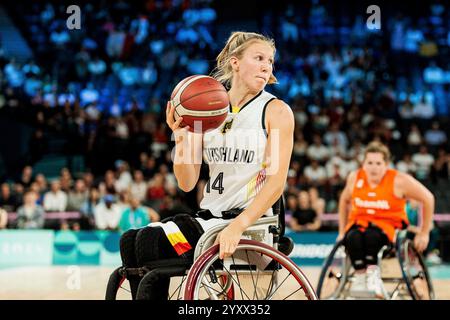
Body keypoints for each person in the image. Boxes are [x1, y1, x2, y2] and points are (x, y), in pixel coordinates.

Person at [123, 31, 294, 300]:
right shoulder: (208, 109)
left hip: (249, 223)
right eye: (259, 57)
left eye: (270, 61)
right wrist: (180, 137)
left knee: (150, 241)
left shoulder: (275, 111)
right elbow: (187, 182)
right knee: (130, 240)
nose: (266, 66)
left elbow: (276, 183)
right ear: (235, 62)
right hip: (210, 219)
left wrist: (238, 225)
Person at [337, 141, 434, 298]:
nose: (373, 167)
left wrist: (424, 233)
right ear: (363, 164)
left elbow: (428, 198)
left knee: (371, 236)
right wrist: (341, 230)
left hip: (386, 229)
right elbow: (343, 200)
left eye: (378, 163)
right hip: (359, 225)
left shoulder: (400, 180)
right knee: (351, 236)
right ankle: (360, 278)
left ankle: (373, 276)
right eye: (369, 163)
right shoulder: (355, 178)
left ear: (386, 164)